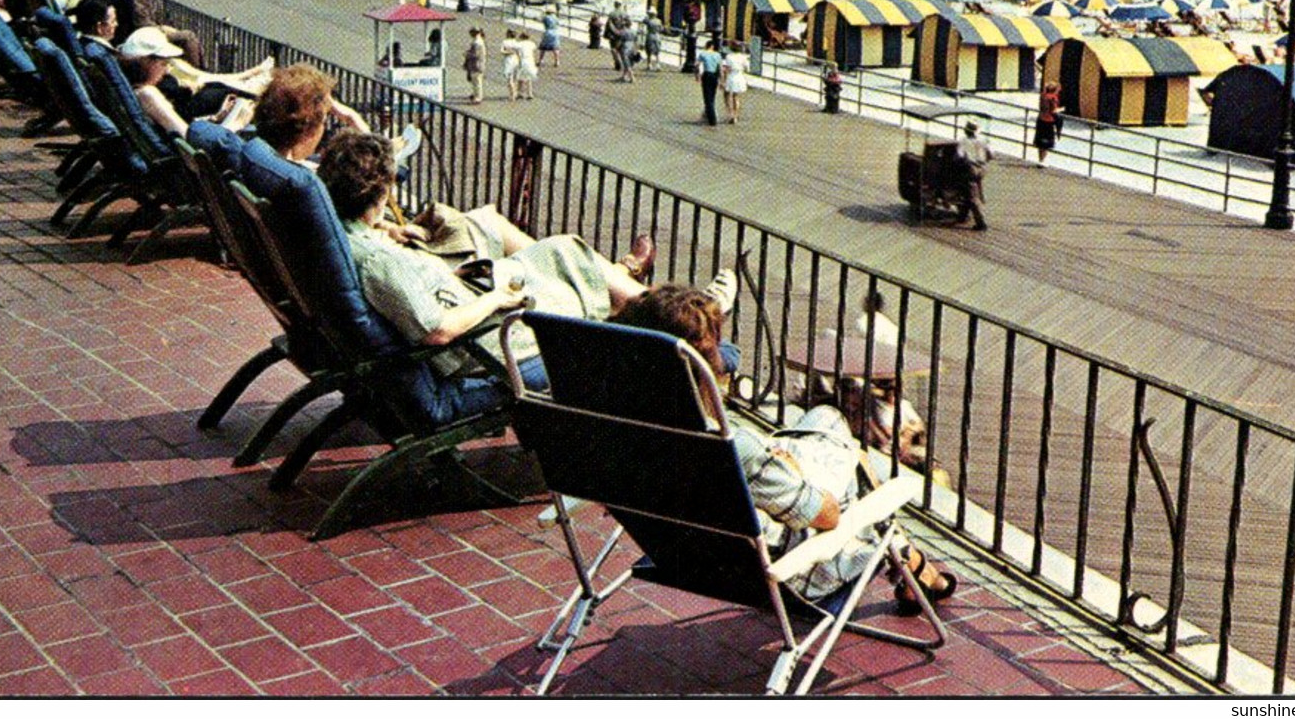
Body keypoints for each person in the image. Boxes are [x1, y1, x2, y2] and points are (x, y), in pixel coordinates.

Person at [611, 284, 956, 611]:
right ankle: (915, 568)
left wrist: (773, 468)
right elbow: (828, 515)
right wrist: (785, 470)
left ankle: (917, 570)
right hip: (789, 573)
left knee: (825, 416)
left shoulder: (616, 428)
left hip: (682, 556)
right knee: (861, 475)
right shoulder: (729, 449)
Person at [317, 131, 657, 427]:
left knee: (559, 250)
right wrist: (495, 298)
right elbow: (438, 330)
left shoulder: (346, 237)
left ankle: (633, 287)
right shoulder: (379, 262)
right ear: (378, 193)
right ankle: (657, 311)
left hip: (467, 307)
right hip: (487, 343)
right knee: (579, 279)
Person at [117, 28, 260, 138]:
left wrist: (213, 119)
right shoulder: (148, 94)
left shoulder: (134, 90)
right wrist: (234, 124)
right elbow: (188, 142)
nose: (167, 70)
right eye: (163, 63)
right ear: (147, 63)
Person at [955, 120, 993, 231]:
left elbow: (959, 156)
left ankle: (981, 222)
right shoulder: (984, 140)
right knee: (971, 190)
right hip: (982, 169)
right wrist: (984, 161)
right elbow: (991, 154)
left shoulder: (963, 141)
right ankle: (963, 215)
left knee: (972, 195)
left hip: (970, 169)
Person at [1034, 81, 1064, 166]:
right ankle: (1043, 161)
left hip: (1040, 119)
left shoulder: (1043, 96)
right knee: (1046, 142)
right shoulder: (1053, 98)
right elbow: (1053, 110)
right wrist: (1062, 109)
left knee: (1040, 141)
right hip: (1049, 121)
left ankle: (1040, 159)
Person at [720, 44, 749, 123]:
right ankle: (736, 115)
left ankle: (730, 113)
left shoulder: (729, 56)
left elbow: (725, 68)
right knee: (736, 96)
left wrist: (723, 80)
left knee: (726, 94)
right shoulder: (743, 57)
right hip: (739, 76)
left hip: (731, 76)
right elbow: (747, 68)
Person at [696, 44, 724, 126]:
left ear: (707, 46)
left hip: (707, 74)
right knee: (712, 96)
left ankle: (712, 118)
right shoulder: (717, 55)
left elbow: (697, 65)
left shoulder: (703, 54)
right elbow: (720, 68)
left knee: (707, 97)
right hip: (714, 75)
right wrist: (722, 80)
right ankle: (707, 114)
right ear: (712, 46)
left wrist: (697, 76)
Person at [463, 26, 486, 104]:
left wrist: (467, 54)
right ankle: (476, 95)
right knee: (475, 81)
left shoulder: (477, 42)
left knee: (476, 81)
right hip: (478, 63)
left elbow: (476, 54)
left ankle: (478, 97)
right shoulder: (479, 41)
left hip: (476, 64)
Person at [615, 16, 637, 83]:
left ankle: (632, 77)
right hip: (632, 46)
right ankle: (624, 76)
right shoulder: (634, 31)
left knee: (626, 62)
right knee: (629, 62)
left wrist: (616, 47)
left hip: (625, 46)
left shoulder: (623, 31)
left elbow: (620, 41)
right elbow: (636, 40)